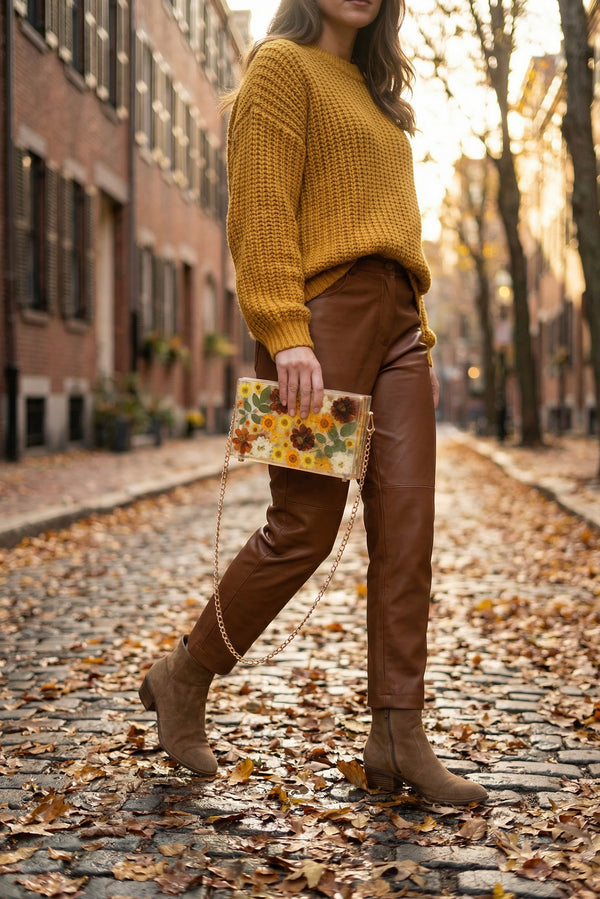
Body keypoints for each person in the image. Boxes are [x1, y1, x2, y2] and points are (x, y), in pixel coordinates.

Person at [139, 0, 488, 807]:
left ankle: (398, 733)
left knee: (408, 534)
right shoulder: (280, 68)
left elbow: (391, 224)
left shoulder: (376, 95)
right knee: (304, 527)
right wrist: (285, 330)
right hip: (320, 322)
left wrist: (417, 326)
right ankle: (184, 675)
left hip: (403, 328)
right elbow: (259, 210)